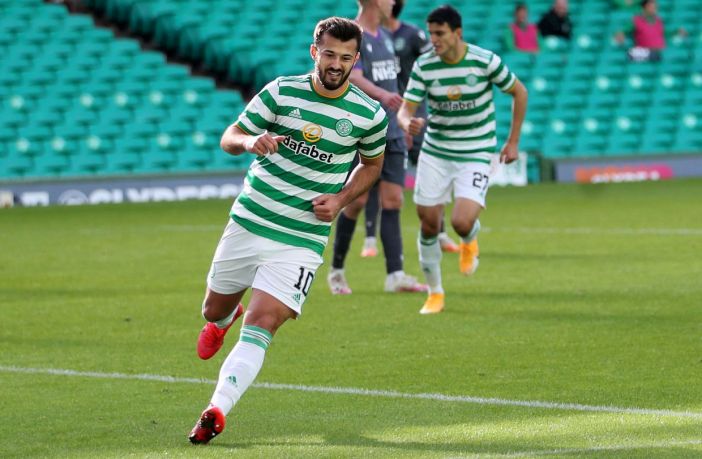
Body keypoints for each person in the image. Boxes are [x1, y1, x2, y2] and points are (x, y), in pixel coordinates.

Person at [188, 16, 388, 444]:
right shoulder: (281, 91)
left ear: (356, 60)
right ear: (315, 52)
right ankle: (223, 319)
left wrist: (340, 199)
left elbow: (372, 166)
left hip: (302, 237)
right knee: (212, 310)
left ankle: (217, 409)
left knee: (263, 322)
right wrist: (249, 142)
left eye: (346, 58)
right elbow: (230, 135)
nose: (336, 64)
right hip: (252, 220)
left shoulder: (369, 114)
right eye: (329, 54)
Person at [397, 5, 528, 314]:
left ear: (458, 33)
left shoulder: (484, 61)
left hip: (476, 152)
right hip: (436, 152)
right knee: (429, 224)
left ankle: (470, 238)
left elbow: (519, 92)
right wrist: (407, 123)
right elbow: (405, 110)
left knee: (461, 221)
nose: (434, 40)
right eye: (431, 34)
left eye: (440, 34)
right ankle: (435, 293)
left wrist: (512, 142)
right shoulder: (425, 66)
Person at [326, 0, 427, 295]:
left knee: (393, 200)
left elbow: (394, 83)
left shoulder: (384, 35)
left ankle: (395, 275)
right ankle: (336, 271)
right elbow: (354, 77)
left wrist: (403, 122)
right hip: (363, 130)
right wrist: (383, 96)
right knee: (356, 202)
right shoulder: (352, 35)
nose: (393, 2)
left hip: (392, 130)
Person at [361, 0, 459, 259]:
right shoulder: (373, 37)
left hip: (415, 114)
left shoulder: (412, 35)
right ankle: (370, 238)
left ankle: (440, 231)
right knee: (373, 176)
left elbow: (436, 64)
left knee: (431, 172)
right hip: (386, 114)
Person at [614, 0, 687, 58]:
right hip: (645, 52)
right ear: (644, 8)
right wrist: (620, 35)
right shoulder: (637, 20)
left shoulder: (659, 21)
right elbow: (623, 31)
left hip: (659, 51)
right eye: (651, 7)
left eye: (655, 7)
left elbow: (665, 33)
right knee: (631, 53)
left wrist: (677, 32)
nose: (654, 9)